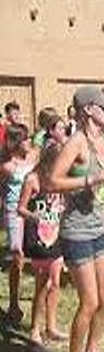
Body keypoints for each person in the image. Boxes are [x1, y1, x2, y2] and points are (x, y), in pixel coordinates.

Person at [47, 86, 104, 352]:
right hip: (77, 231)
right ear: (87, 110)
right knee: (90, 302)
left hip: (100, 227)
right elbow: (52, 181)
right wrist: (92, 179)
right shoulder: (76, 142)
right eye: (103, 106)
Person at [18, 144, 67, 345]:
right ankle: (35, 328)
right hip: (38, 237)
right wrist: (33, 216)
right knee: (41, 284)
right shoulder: (32, 179)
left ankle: (51, 326)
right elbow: (20, 208)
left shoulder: (59, 180)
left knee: (55, 282)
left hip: (56, 234)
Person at [0, 123, 38, 326]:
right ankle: (13, 304)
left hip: (31, 210)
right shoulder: (6, 166)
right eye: (25, 139)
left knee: (36, 252)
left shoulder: (33, 157)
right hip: (14, 212)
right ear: (16, 142)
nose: (29, 142)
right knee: (17, 257)